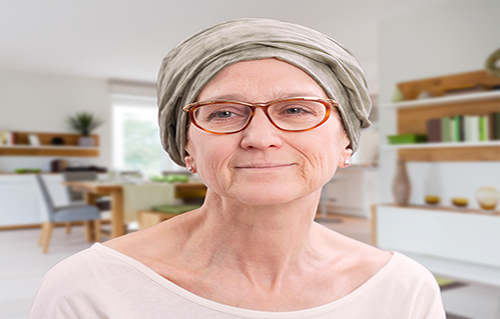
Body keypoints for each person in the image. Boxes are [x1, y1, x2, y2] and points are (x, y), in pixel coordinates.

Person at [29, 18, 445, 318]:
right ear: (185, 146)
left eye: (296, 109)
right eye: (224, 113)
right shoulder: (88, 289)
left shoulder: (403, 288)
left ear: (346, 141)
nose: (260, 136)